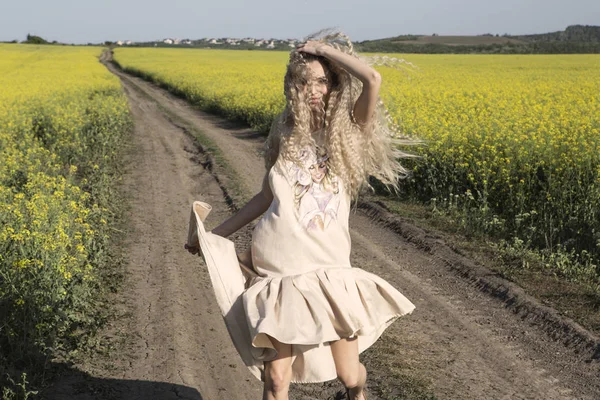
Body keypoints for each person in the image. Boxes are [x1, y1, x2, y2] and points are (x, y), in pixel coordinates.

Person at [186, 31, 415, 400]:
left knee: (348, 373)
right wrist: (215, 234)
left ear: (334, 82)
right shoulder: (284, 131)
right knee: (276, 379)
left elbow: (372, 79)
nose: (313, 88)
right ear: (292, 84)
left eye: (323, 80)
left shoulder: (347, 130)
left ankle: (358, 391)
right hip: (280, 272)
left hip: (327, 270)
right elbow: (265, 195)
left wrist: (322, 49)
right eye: (304, 80)